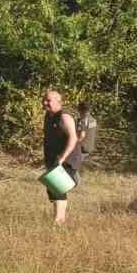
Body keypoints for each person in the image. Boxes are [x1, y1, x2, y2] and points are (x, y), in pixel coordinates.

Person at [42, 89, 83, 225]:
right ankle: (60, 218)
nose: (45, 103)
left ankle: (58, 221)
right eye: (44, 100)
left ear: (59, 102)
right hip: (54, 159)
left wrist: (62, 157)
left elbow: (73, 139)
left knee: (57, 186)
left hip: (68, 159)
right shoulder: (48, 117)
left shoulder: (65, 117)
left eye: (48, 100)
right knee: (52, 188)